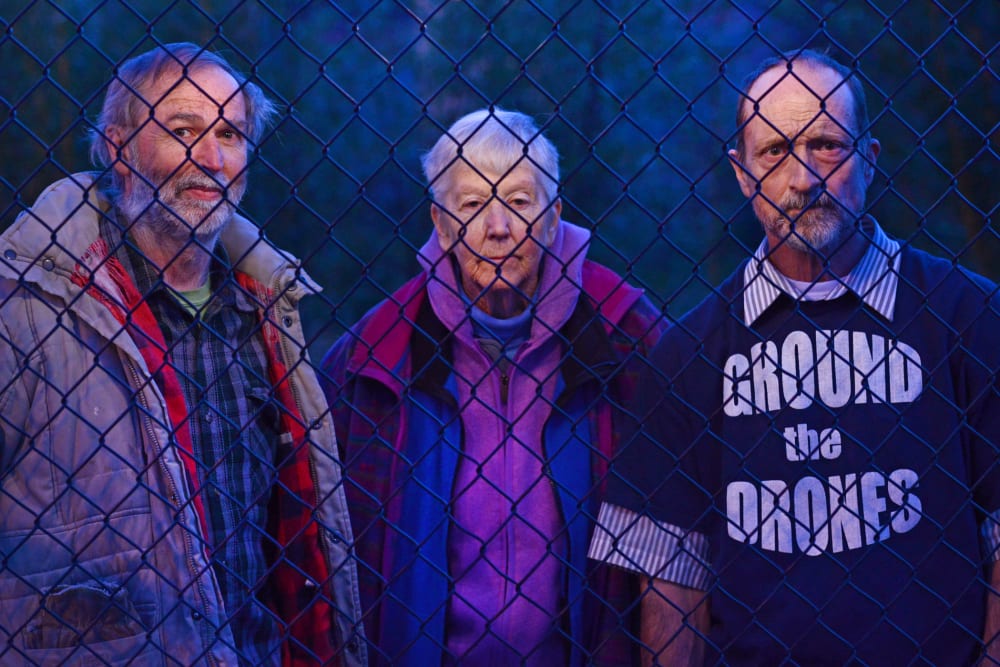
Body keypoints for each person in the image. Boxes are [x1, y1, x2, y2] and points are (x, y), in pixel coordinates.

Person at [588, 48, 1000, 666]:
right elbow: (672, 577)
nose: (802, 177)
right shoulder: (690, 352)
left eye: (828, 146)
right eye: (775, 152)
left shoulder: (969, 316)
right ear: (741, 173)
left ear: (869, 158)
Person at [0, 43, 365, 666]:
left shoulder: (266, 309)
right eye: (182, 129)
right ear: (118, 148)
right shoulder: (25, 308)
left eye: (230, 132)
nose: (212, 158)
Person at [320, 108, 665, 665]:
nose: (498, 228)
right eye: (473, 204)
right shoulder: (376, 352)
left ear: (554, 218)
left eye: (520, 202)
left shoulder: (627, 333)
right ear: (440, 221)